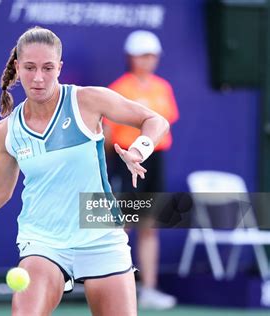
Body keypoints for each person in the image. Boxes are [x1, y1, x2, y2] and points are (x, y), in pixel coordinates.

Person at [0, 27, 169, 316]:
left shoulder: (87, 101)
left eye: (48, 68)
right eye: (29, 67)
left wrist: (139, 150)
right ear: (17, 67)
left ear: (59, 68)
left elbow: (154, 120)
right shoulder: (8, 130)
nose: (38, 78)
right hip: (43, 242)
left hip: (101, 236)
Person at [103, 30, 179, 310]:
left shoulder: (163, 88)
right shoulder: (118, 88)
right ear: (132, 57)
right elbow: (108, 134)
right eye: (143, 55)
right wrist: (118, 162)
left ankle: (148, 288)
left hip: (156, 161)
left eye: (152, 55)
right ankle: (114, 288)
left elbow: (163, 124)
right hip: (127, 162)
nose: (148, 60)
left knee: (149, 226)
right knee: (122, 227)